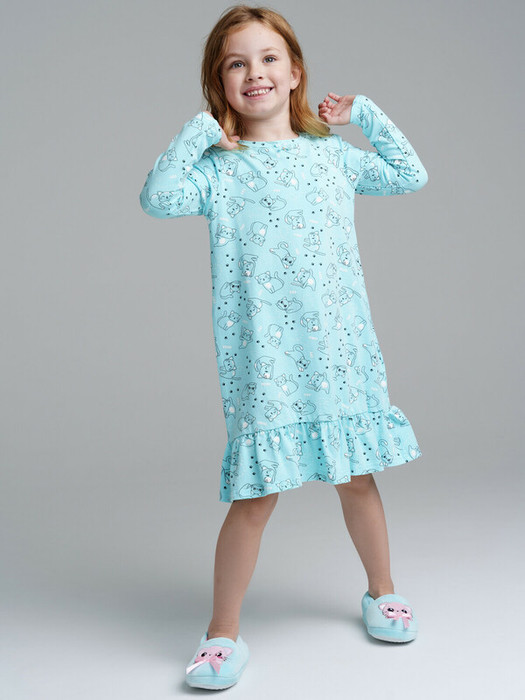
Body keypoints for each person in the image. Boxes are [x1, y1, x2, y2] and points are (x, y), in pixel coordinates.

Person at [139, 4, 428, 691]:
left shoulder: (330, 156)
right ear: (220, 82)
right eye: (236, 63)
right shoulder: (218, 169)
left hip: (339, 353)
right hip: (265, 365)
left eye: (268, 58)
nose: (255, 73)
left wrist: (365, 113)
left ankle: (382, 590)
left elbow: (409, 174)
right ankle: (221, 634)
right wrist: (197, 132)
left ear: (295, 72)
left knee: (357, 477)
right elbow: (158, 198)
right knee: (256, 495)